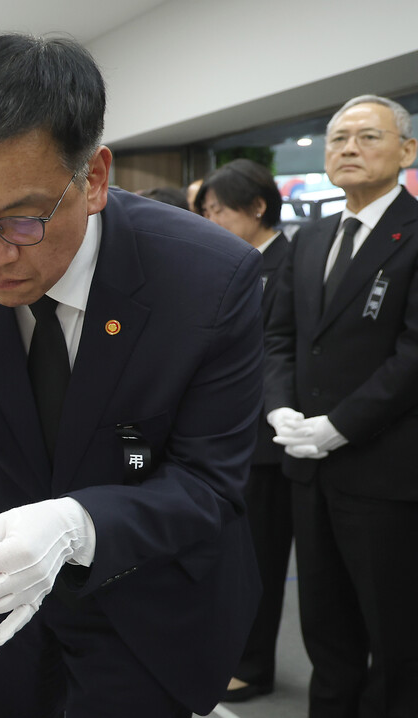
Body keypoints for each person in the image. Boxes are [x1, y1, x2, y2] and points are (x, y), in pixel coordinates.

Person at [0, 34, 263, 718]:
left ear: (92, 180)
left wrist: (74, 525)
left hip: (151, 604)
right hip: (5, 605)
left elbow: (211, 483)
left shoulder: (207, 279)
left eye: (22, 220)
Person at [264, 94, 418, 718]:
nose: (348, 149)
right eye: (337, 139)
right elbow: (280, 338)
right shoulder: (312, 236)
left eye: (367, 137)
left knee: (396, 632)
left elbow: (414, 353)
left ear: (406, 151)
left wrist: (339, 427)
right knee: (325, 625)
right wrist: (279, 408)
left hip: (386, 471)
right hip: (308, 467)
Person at [197, 158, 292, 702]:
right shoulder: (229, 262)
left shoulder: (286, 260)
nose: (209, 220)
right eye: (204, 210)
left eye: (218, 210)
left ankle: (254, 664)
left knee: (260, 557)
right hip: (228, 433)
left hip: (268, 436)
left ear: (257, 207)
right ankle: (234, 652)